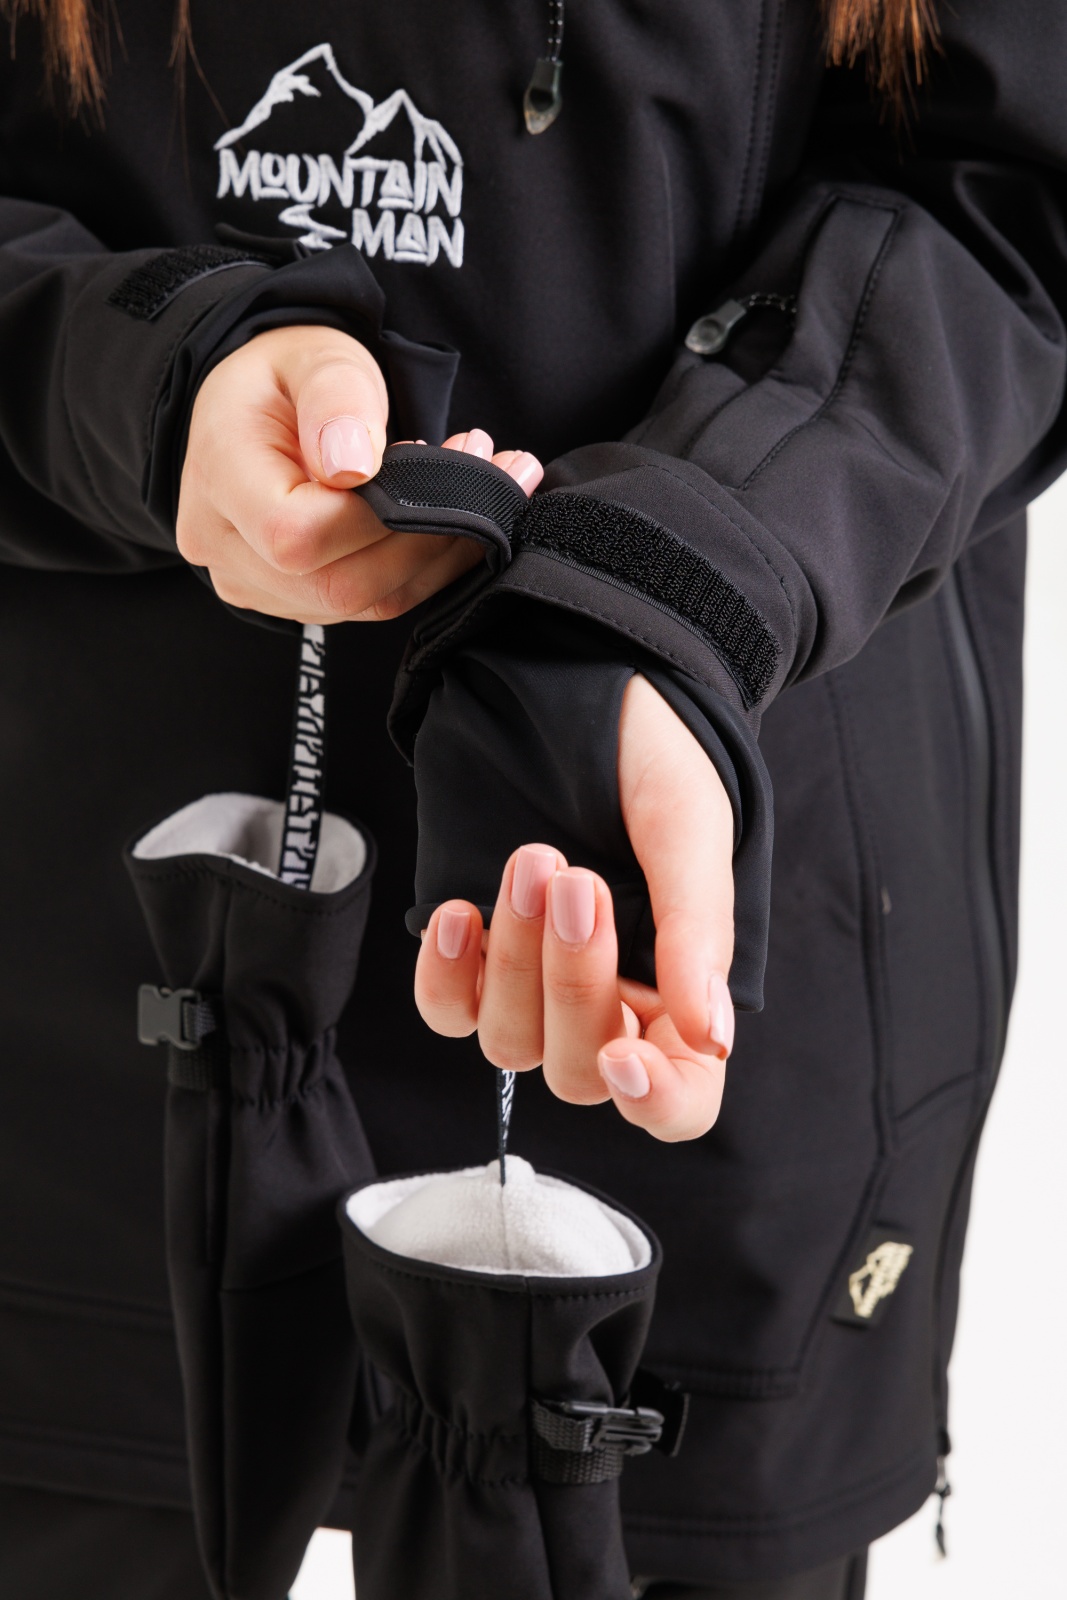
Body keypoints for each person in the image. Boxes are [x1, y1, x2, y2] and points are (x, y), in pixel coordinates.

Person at [0, 2, 1064, 1597]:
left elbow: (1006, 189)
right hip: (83, 992)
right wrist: (141, 377)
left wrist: (681, 573)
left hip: (703, 906)